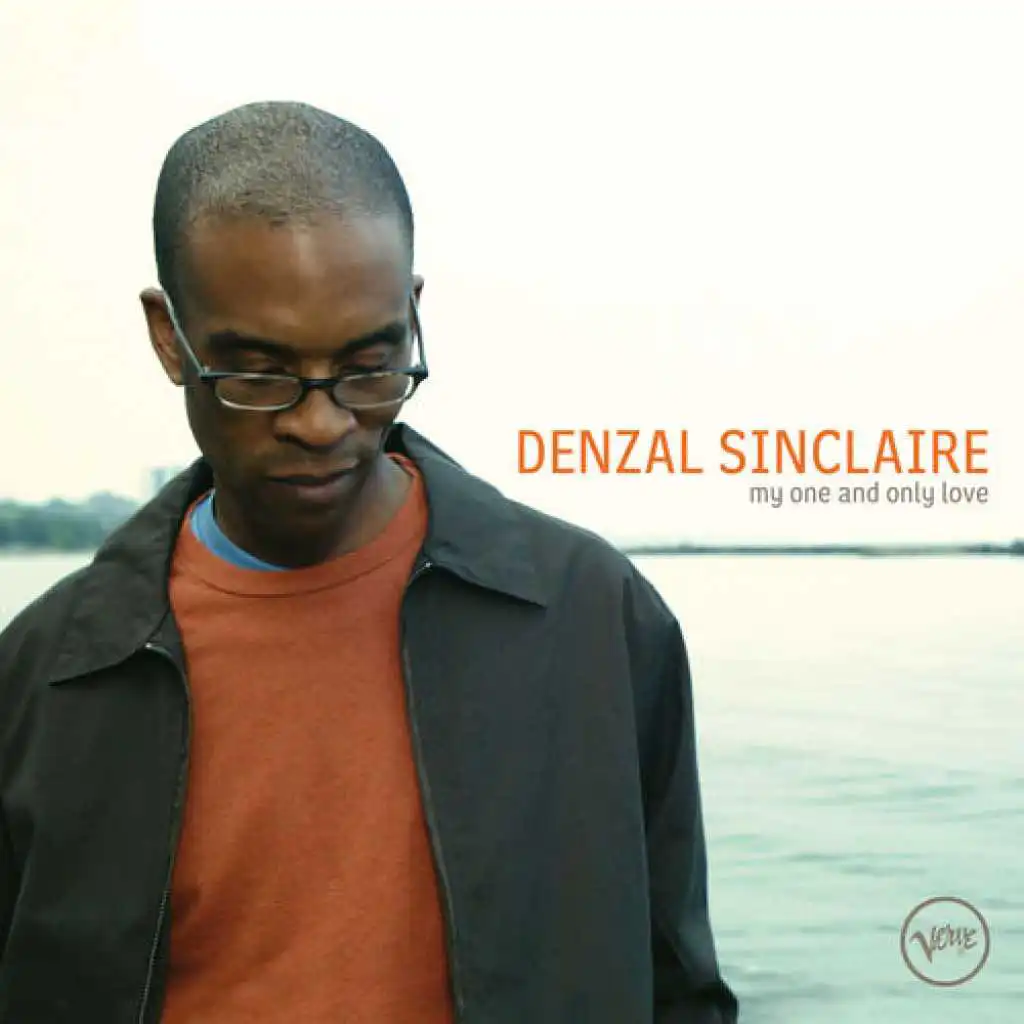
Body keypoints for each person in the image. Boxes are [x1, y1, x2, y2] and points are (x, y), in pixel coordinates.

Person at [0, 101, 738, 1023]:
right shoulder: (41, 678)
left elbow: (680, 987)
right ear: (167, 337)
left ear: (411, 314)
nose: (322, 424)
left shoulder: (595, 617)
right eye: (259, 373)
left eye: (370, 365)